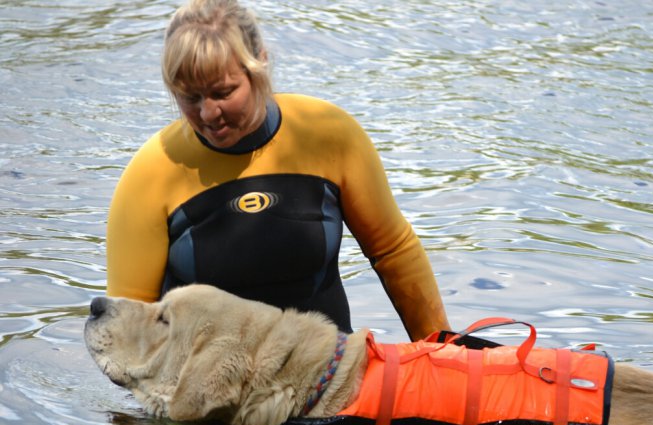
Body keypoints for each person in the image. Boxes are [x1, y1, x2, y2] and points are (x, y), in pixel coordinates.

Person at [105, 0, 450, 340]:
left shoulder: (328, 135)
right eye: (190, 97)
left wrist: (442, 352)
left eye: (223, 92)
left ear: (260, 65)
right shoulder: (149, 175)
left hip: (328, 379)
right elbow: (127, 334)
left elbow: (393, 253)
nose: (209, 114)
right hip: (206, 392)